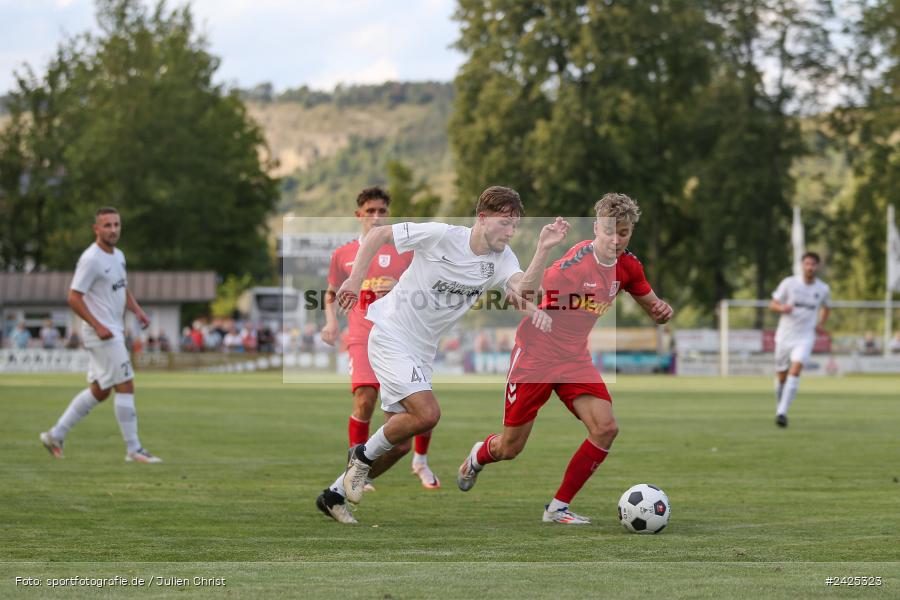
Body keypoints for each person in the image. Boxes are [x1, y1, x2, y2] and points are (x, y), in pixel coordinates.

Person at [316, 185, 568, 524]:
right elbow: (377, 236)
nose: (509, 232)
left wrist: (542, 249)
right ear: (482, 218)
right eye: (504, 223)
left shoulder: (502, 258)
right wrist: (354, 280)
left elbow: (524, 289)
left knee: (401, 445)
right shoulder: (440, 235)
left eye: (515, 226)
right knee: (428, 414)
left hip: (421, 350)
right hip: (391, 333)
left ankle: (334, 494)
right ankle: (360, 458)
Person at [455, 193, 673, 524]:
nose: (616, 240)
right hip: (535, 357)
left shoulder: (628, 267)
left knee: (606, 427)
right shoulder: (571, 268)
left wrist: (662, 311)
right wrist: (542, 253)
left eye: (624, 233)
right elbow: (519, 295)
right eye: (609, 231)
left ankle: (557, 508)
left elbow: (654, 307)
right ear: (596, 228)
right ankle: (479, 455)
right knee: (510, 448)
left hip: (573, 359)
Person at [322, 186, 443, 490]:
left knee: (417, 400)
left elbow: (425, 286)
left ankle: (421, 460)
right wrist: (331, 324)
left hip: (402, 334)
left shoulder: (404, 251)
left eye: (382, 211)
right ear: (358, 215)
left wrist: (400, 285)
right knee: (364, 399)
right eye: (370, 211)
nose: (377, 217)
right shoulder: (343, 254)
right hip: (362, 334)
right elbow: (332, 292)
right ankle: (356, 469)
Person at [40, 207, 161, 463]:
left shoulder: (118, 255)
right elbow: (74, 297)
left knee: (100, 390)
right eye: (107, 225)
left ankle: (55, 434)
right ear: (96, 229)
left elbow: (122, 287)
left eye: (117, 224)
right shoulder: (91, 259)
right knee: (126, 384)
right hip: (102, 333)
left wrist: (138, 311)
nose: (113, 230)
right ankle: (134, 449)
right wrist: (97, 325)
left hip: (112, 329)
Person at [769, 251, 831, 428]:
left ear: (818, 266)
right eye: (807, 264)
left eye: (813, 264)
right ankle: (780, 405)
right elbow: (772, 304)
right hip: (784, 335)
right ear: (802, 265)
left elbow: (827, 308)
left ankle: (782, 413)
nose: (810, 267)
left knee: (794, 372)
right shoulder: (789, 283)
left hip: (805, 337)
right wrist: (782, 308)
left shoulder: (823, 288)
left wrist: (821, 324)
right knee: (781, 376)